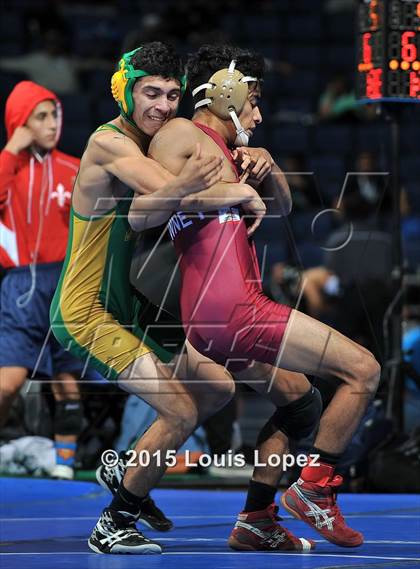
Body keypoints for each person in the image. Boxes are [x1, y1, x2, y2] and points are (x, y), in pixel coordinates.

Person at [146, 43, 381, 550]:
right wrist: (234, 189)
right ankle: (315, 489)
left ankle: (256, 517)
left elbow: (282, 205)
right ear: (224, 93)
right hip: (231, 308)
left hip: (224, 311)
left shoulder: (230, 150)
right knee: (363, 371)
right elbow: (151, 206)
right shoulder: (182, 133)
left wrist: (266, 167)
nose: (259, 111)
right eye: (252, 99)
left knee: (299, 403)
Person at [49, 41, 267, 555]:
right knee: (180, 413)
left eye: (172, 95)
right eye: (151, 93)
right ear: (124, 90)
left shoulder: (149, 141)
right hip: (87, 311)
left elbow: (207, 165)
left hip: (132, 302)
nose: (163, 107)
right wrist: (239, 187)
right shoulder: (110, 145)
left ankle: (130, 472)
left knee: (217, 388)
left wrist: (251, 155)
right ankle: (114, 521)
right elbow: (177, 191)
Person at [0, 80, 84, 480]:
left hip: (67, 283)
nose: (53, 124)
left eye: (56, 115)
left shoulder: (75, 168)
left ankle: (64, 464)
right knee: (7, 385)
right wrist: (12, 149)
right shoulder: (7, 169)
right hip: (22, 287)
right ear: (19, 122)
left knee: (69, 385)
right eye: (41, 116)